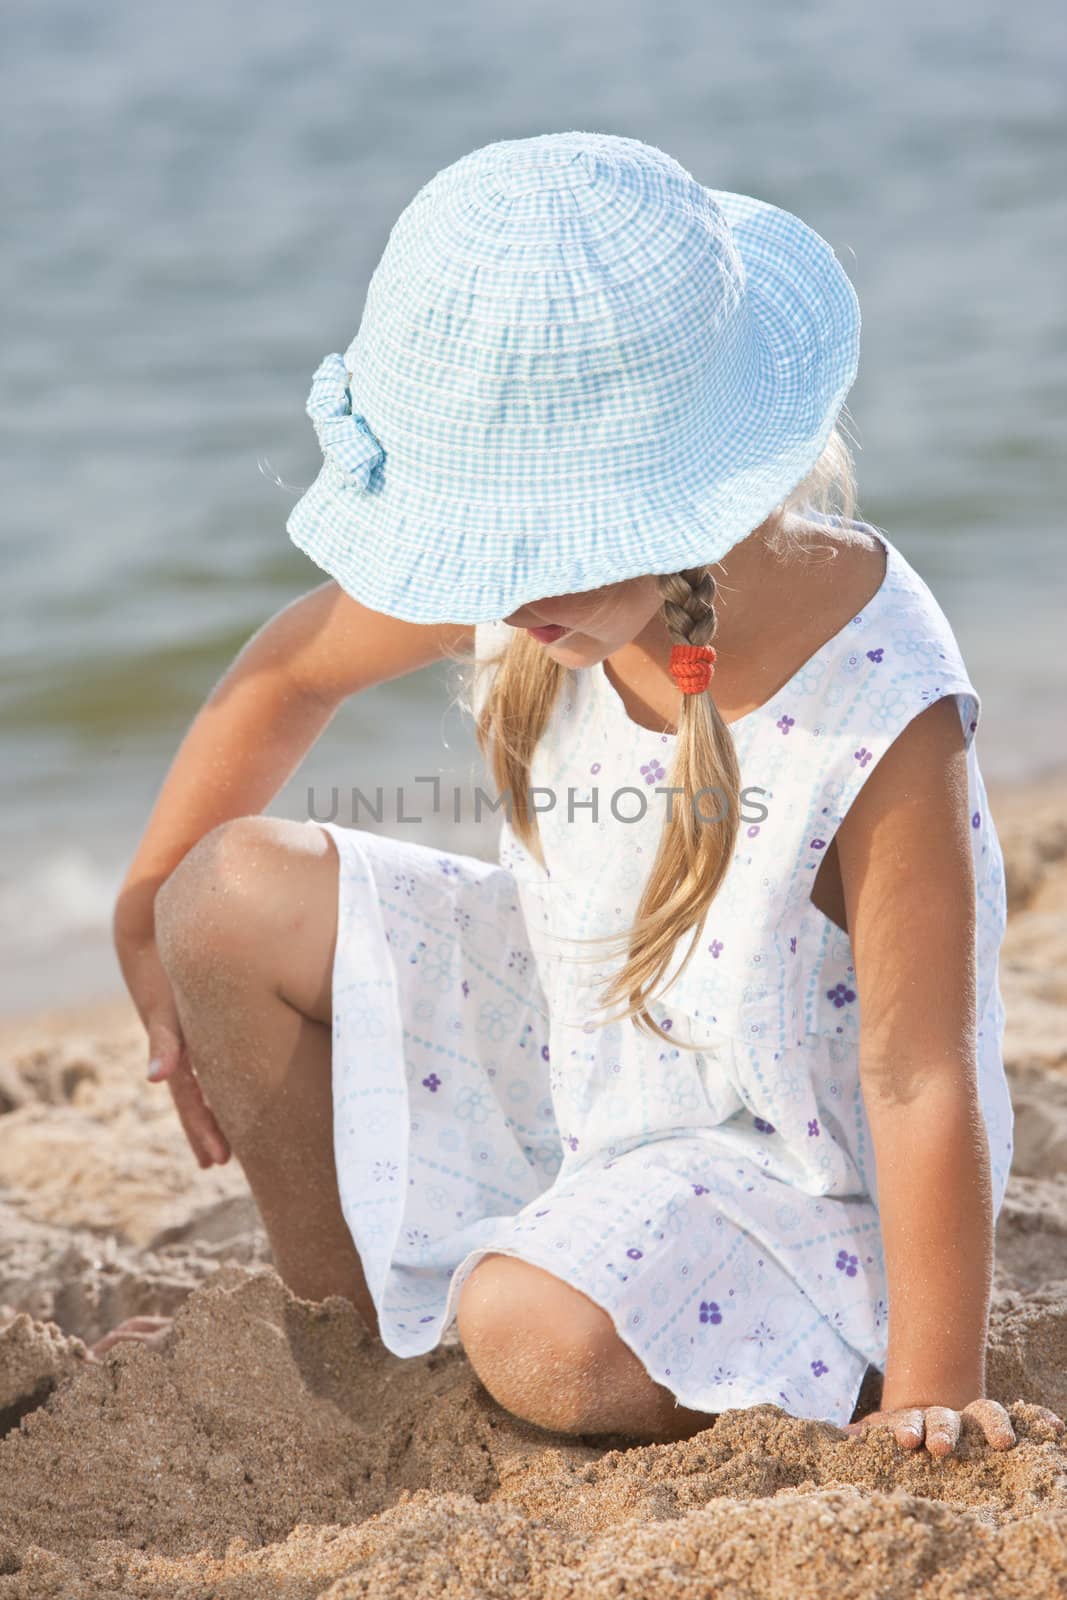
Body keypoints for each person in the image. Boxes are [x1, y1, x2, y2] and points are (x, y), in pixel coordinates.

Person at [97, 131, 1063, 1460]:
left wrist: (933, 1392)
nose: (502, 589)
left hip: (780, 1170)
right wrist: (142, 905)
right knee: (223, 901)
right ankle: (349, 1331)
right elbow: (287, 676)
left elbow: (914, 1075)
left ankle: (535, 1306)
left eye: (536, 543)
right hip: (588, 1048)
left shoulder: (879, 708)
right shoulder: (543, 590)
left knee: (537, 1336)